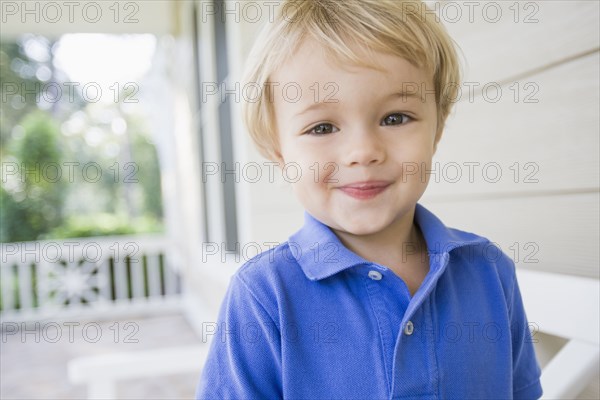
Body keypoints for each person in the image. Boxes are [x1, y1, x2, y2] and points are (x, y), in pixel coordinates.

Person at [196, 1, 543, 398]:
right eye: (322, 126)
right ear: (280, 153)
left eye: (395, 118)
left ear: (438, 128)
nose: (363, 151)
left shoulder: (488, 270)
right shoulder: (263, 296)